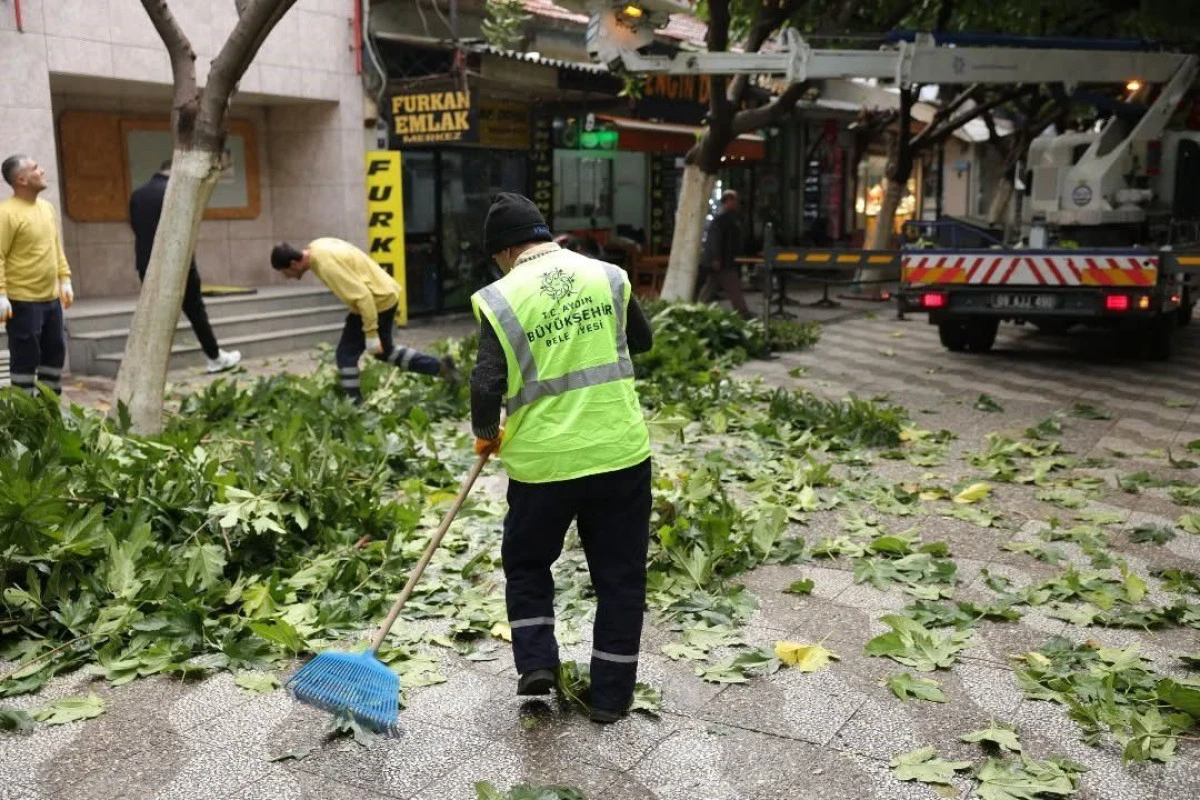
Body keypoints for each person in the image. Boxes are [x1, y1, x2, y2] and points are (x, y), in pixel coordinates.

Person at [470, 192, 654, 724]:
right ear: (543, 233)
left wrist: (486, 432)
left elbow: (486, 383)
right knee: (620, 579)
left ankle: (536, 664)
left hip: (541, 465)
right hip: (620, 453)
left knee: (527, 564)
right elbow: (641, 341)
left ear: (504, 251)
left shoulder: (501, 297)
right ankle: (610, 699)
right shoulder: (610, 277)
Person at [270, 238, 455, 402]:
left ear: (293, 264)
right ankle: (439, 367)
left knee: (346, 355)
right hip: (383, 294)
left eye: (284, 272)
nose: (287, 277)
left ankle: (354, 405)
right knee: (384, 351)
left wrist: (371, 333)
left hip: (375, 302)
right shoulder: (318, 246)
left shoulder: (326, 265)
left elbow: (363, 297)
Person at [129, 160, 241, 374]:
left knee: (153, 317)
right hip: (178, 264)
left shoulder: (138, 195)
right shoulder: (175, 194)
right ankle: (214, 356)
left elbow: (136, 228)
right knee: (195, 310)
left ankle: (146, 368)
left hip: (146, 263)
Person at [0, 155, 72, 396]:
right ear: (21, 179)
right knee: (26, 358)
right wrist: (1, 294)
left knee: (54, 354)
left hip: (51, 301)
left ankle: (49, 411)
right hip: (23, 302)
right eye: (34, 168)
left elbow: (55, 246)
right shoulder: (6, 213)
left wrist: (65, 278)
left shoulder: (47, 208)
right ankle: (25, 417)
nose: (41, 170)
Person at [697, 189, 753, 318]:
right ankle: (743, 313)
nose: (737, 203)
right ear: (728, 201)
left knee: (711, 286)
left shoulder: (728, 218)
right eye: (735, 200)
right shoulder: (723, 219)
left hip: (722, 259)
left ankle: (698, 308)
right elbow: (716, 239)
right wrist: (717, 258)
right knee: (732, 286)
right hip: (722, 260)